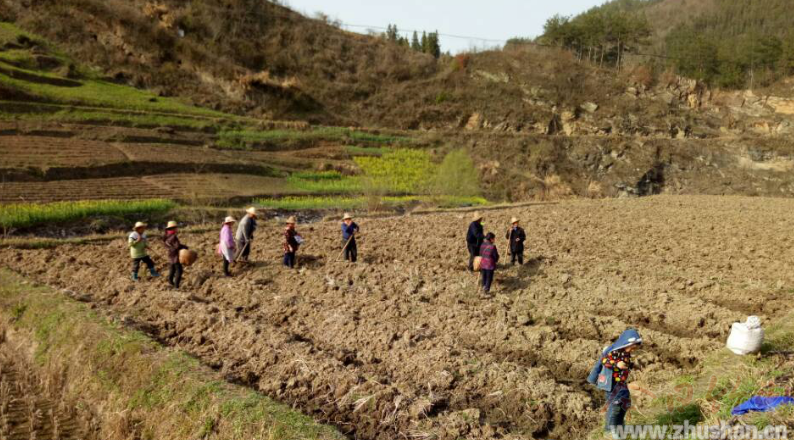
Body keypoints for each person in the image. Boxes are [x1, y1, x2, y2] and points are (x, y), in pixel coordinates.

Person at [599, 329, 643, 438]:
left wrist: (633, 366)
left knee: (625, 403)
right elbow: (604, 361)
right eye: (632, 347)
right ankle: (609, 431)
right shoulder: (614, 352)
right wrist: (616, 364)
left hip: (621, 383)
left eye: (634, 348)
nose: (633, 350)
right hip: (612, 384)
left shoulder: (626, 353)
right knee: (615, 406)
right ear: (626, 343)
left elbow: (626, 364)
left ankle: (619, 426)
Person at [163, 220, 188, 289]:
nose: (177, 229)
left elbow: (167, 245)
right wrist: (185, 247)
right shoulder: (173, 236)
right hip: (175, 255)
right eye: (176, 228)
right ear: (173, 228)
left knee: (172, 268)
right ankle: (176, 286)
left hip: (170, 254)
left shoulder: (166, 235)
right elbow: (177, 246)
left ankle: (170, 281)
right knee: (179, 270)